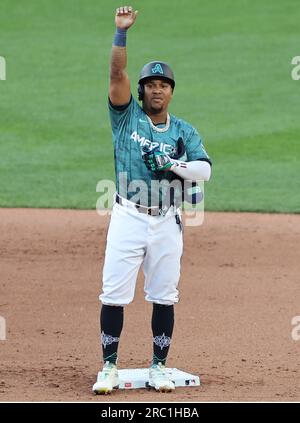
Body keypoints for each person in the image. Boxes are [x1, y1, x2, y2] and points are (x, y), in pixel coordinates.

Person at [92, 5, 212, 394]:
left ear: (172, 91)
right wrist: (121, 33)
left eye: (163, 84)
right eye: (150, 84)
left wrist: (173, 162)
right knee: (113, 293)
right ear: (140, 91)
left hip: (167, 220)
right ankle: (108, 367)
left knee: (164, 295)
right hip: (128, 214)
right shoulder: (127, 118)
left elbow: (205, 170)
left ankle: (159, 366)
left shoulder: (184, 131)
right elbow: (115, 74)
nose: (156, 88)